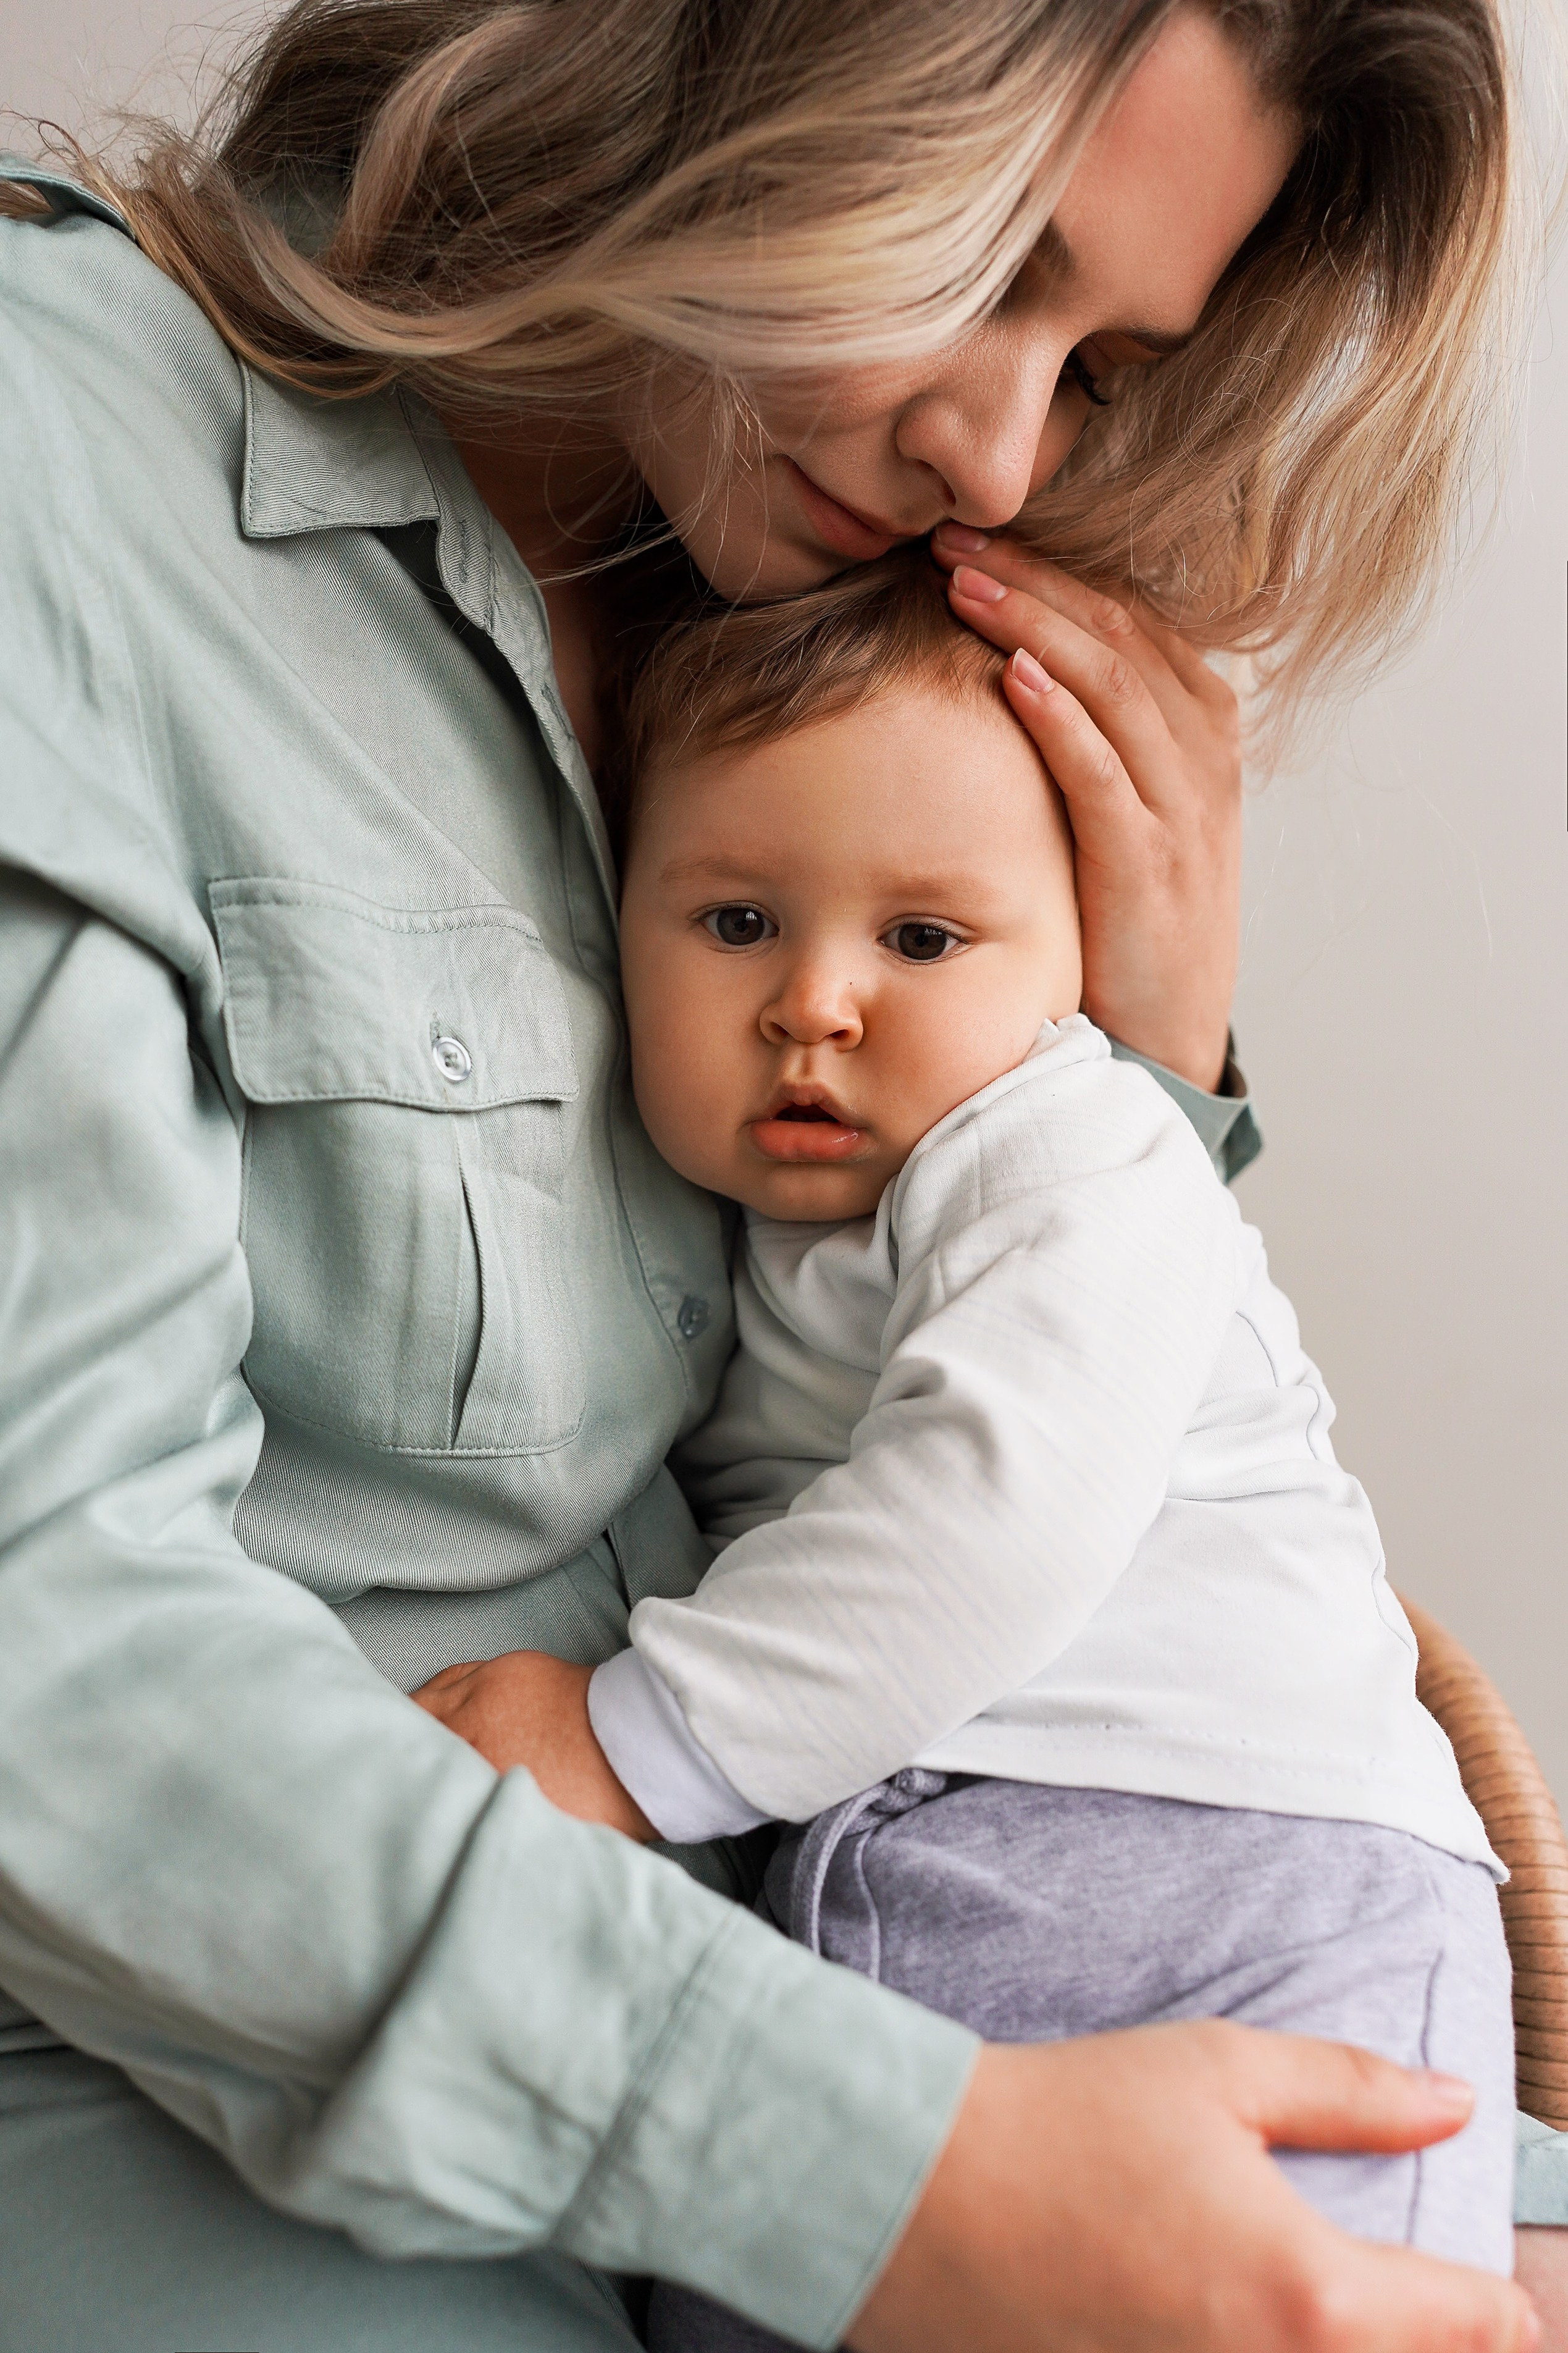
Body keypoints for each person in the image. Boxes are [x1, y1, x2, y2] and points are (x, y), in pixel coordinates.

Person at [0, 0, 1551, 2345]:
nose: (1000, 456)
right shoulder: (58, 474)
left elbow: (1014, 1414)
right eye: (979, 254)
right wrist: (906, 2184)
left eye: (1099, 359)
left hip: (910, 1966)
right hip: (235, 2123)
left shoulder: (807, 595)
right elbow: (49, 1640)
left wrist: (1147, 1069)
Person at [513, 552, 1514, 2341]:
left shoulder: (1073, 1154)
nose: (816, 1001)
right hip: (895, 1878)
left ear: (1069, 970)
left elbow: (984, 1516)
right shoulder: (716, 1231)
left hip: (1233, 1877)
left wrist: (622, 1744)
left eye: (919, 937)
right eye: (734, 920)